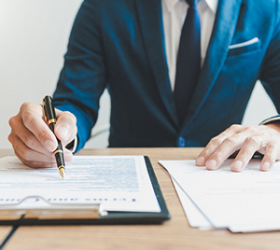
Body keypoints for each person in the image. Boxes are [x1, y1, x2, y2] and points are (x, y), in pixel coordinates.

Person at [8, 0, 280, 172]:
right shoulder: (102, 7)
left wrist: (275, 131)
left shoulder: (269, 9)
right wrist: (57, 131)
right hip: (130, 178)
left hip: (221, 176)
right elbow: (76, 100)